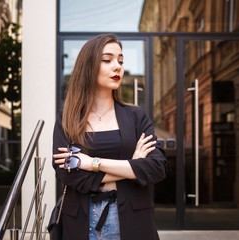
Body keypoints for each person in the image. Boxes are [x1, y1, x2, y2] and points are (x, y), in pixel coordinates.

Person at [52, 33, 167, 240]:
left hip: (131, 218)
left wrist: (92, 163)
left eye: (121, 61)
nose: (118, 66)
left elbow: (156, 168)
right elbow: (68, 173)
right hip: (80, 219)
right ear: (88, 66)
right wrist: (132, 166)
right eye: (107, 60)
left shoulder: (136, 116)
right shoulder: (67, 118)